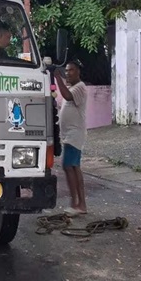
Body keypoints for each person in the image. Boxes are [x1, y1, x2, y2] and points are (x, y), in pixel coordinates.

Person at [54, 60, 88, 217]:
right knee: (72, 167)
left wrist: (57, 77)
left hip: (74, 135)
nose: (68, 73)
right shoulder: (73, 87)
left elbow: (67, 97)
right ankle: (79, 204)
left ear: (78, 72)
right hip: (69, 135)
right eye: (66, 71)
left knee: (69, 166)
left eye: (71, 70)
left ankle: (77, 204)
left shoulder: (80, 87)